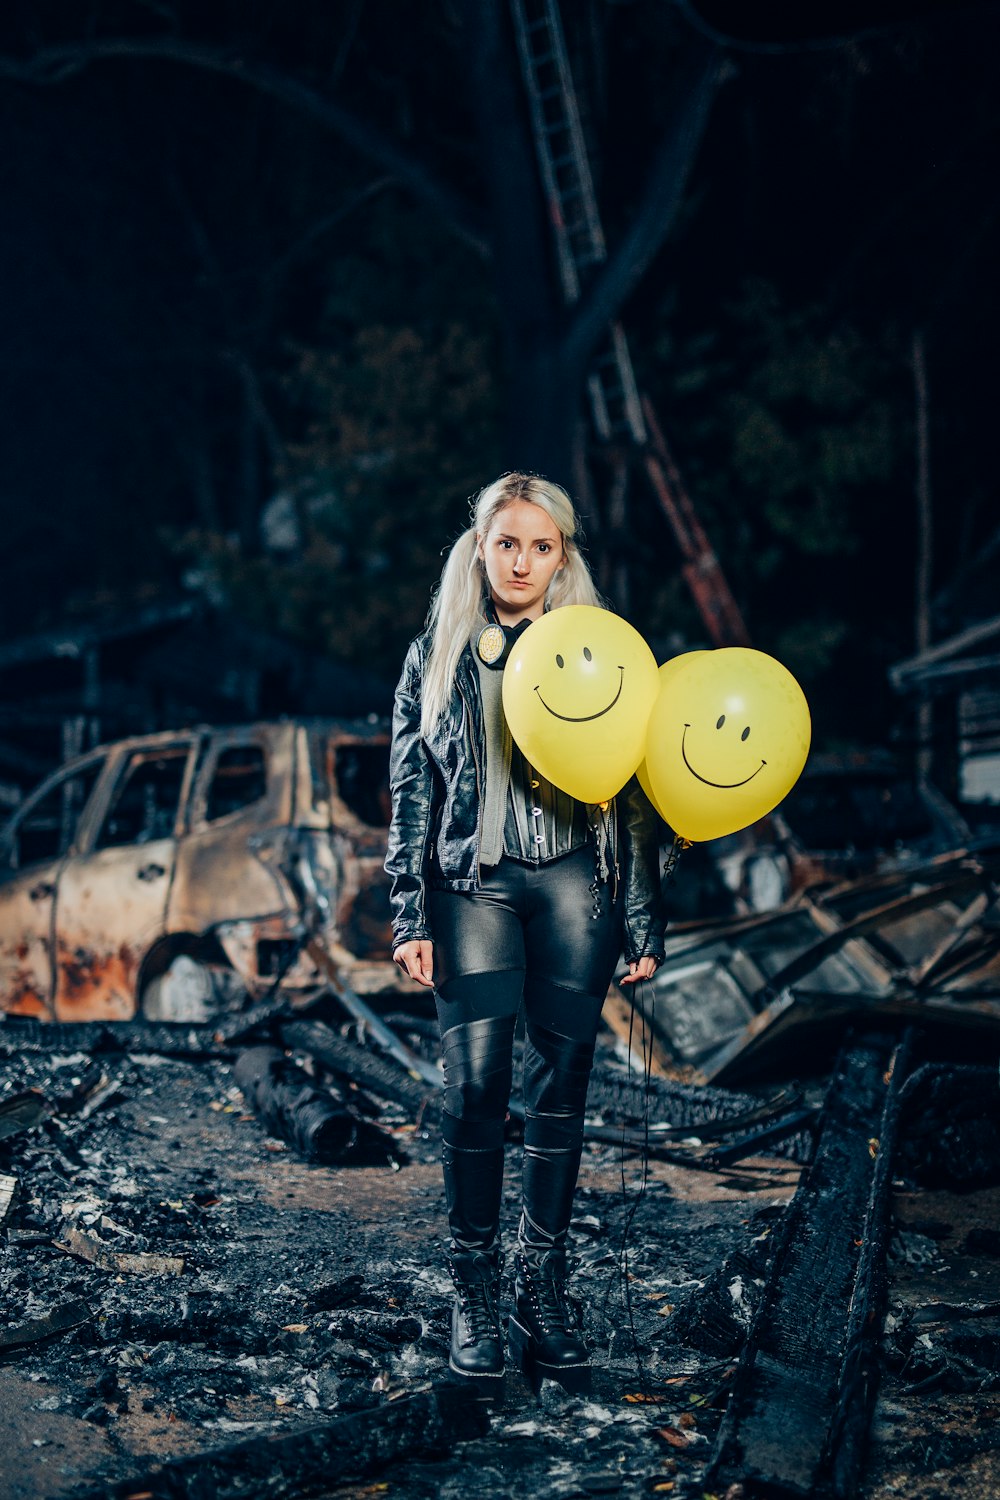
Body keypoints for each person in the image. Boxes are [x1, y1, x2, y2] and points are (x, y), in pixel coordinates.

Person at [386, 471, 665, 1392]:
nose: (522, 560)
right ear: (480, 549)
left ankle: (537, 1284)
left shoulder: (599, 656)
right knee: (475, 1091)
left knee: (563, 1089)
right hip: (472, 888)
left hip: (574, 890)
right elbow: (411, 792)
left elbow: (631, 792)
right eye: (507, 542)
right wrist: (408, 911)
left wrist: (637, 918)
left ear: (562, 557)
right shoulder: (437, 654)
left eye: (541, 545)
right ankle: (473, 1284)